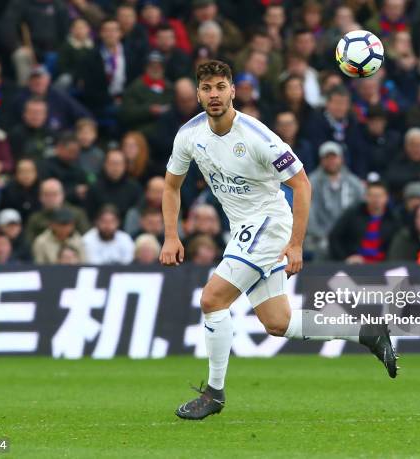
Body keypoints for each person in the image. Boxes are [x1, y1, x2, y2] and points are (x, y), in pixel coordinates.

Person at [160, 61, 397, 421]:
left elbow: (301, 184)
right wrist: (170, 235)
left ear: (233, 91)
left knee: (212, 299)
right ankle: (366, 332)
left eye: (221, 87)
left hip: (269, 224)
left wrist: (296, 243)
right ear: (197, 94)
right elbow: (171, 185)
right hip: (244, 228)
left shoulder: (258, 136)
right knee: (278, 323)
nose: (214, 95)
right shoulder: (189, 135)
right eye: (207, 88)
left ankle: (214, 393)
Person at [306, 141, 364, 257]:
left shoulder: (354, 183)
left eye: (334, 157)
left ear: (341, 159)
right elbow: (307, 211)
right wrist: (320, 234)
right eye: (327, 158)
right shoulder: (311, 182)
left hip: (348, 236)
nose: (331, 161)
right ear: (321, 160)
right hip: (319, 236)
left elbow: (361, 210)